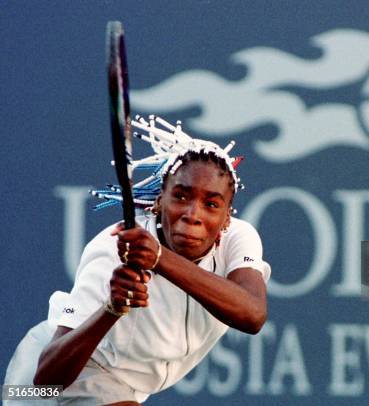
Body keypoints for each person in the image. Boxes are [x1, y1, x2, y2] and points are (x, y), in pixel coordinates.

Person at [4, 116, 271, 405]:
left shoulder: (238, 238)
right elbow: (46, 380)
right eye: (181, 196)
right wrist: (112, 308)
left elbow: (252, 314)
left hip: (130, 389)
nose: (193, 214)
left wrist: (159, 258)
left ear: (227, 216)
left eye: (211, 204)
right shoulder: (111, 249)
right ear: (159, 201)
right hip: (45, 388)